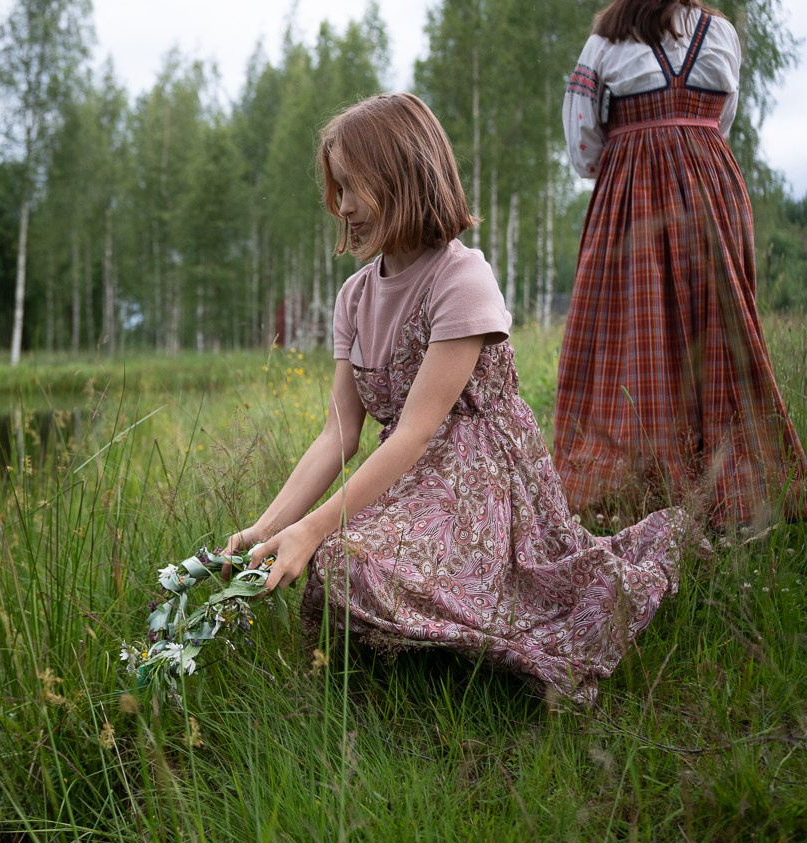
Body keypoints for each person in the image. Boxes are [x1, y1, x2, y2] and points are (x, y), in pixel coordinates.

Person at [225, 93, 704, 706]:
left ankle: (467, 664)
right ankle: (412, 660)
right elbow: (338, 435)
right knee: (339, 560)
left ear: (401, 176)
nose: (341, 207)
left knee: (344, 559)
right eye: (336, 189)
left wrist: (315, 528)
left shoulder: (461, 277)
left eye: (353, 187)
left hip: (484, 481)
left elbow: (416, 430)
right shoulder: (353, 297)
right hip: (408, 479)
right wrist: (266, 529)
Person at [556, 0, 807, 528]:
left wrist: (631, 149)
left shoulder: (606, 40)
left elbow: (582, 145)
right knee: (716, 331)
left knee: (636, 335)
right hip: (713, 191)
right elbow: (722, 121)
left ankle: (641, 485)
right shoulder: (721, 34)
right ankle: (727, 488)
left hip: (632, 195)